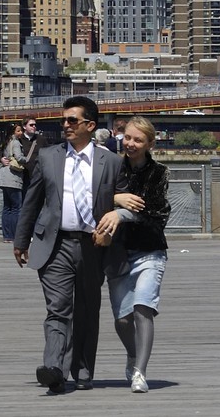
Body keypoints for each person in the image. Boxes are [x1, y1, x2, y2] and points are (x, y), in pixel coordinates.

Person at [13, 95, 119, 394]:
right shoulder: (48, 156)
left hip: (92, 246)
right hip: (54, 244)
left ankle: (83, 370)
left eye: (72, 120)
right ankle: (54, 368)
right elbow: (31, 201)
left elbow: (120, 202)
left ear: (90, 125)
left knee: (86, 310)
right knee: (58, 308)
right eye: (63, 120)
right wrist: (21, 240)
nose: (66, 125)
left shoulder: (110, 161)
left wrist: (114, 223)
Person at [93, 116, 170, 394]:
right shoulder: (111, 166)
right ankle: (132, 353)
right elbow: (88, 194)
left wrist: (120, 213)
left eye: (138, 139)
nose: (131, 144)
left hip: (150, 250)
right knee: (122, 319)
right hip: (117, 252)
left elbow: (156, 212)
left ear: (150, 143)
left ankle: (140, 371)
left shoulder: (158, 173)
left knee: (143, 308)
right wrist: (115, 199)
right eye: (127, 137)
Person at [0, 120, 33, 242]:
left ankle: (7, 235)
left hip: (4, 177)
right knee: (17, 207)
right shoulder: (15, 142)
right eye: (18, 131)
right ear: (14, 132)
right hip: (13, 178)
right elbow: (19, 158)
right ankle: (17, 235)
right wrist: (28, 159)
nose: (21, 133)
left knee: (7, 208)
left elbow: (2, 154)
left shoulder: (7, 142)